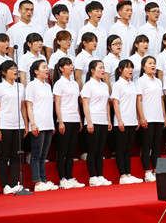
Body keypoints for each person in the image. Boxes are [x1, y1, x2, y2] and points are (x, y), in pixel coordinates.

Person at [0, 60, 28, 194]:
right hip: (5, 124)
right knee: (4, 156)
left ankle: (14, 183)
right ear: (4, 72)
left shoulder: (20, 86)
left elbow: (23, 106)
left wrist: (26, 124)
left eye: (15, 68)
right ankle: (5, 185)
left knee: (16, 156)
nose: (15, 71)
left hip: (18, 125)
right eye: (11, 69)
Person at [52, 57, 85, 189]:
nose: (71, 67)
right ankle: (62, 179)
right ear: (61, 68)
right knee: (63, 151)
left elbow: (76, 103)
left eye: (71, 64)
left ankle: (70, 177)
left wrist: (80, 120)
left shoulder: (75, 83)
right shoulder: (59, 84)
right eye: (67, 65)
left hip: (74, 119)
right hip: (64, 119)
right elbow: (57, 104)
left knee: (71, 152)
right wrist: (60, 121)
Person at [25, 60, 58, 191]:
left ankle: (43, 180)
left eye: (47, 67)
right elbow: (29, 105)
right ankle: (37, 182)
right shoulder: (32, 85)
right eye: (43, 67)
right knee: (36, 154)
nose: (47, 70)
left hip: (48, 123)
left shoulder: (48, 86)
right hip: (38, 123)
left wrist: (52, 124)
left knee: (43, 155)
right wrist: (32, 123)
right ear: (36, 71)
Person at [81, 60, 113, 186]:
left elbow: (107, 104)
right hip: (93, 120)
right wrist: (89, 122)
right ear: (92, 70)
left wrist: (108, 120)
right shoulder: (88, 85)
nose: (103, 70)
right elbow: (85, 104)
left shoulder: (104, 85)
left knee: (100, 150)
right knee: (93, 149)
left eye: (104, 67)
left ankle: (100, 175)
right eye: (100, 68)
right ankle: (92, 177)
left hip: (103, 120)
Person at [111, 59, 142, 184]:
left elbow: (135, 102)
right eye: (127, 67)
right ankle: (122, 175)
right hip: (122, 120)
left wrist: (137, 118)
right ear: (120, 70)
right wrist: (119, 120)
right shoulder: (118, 84)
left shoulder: (133, 84)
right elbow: (115, 103)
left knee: (128, 149)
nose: (130, 70)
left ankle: (129, 174)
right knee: (121, 148)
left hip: (132, 120)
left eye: (131, 67)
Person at [136, 56, 165, 182]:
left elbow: (161, 100)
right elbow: (138, 100)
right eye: (150, 63)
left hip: (158, 117)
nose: (153, 65)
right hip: (148, 117)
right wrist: (142, 117)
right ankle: (147, 171)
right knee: (147, 146)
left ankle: (156, 170)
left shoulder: (158, 81)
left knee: (157, 146)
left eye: (154, 63)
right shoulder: (141, 81)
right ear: (143, 66)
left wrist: (164, 116)